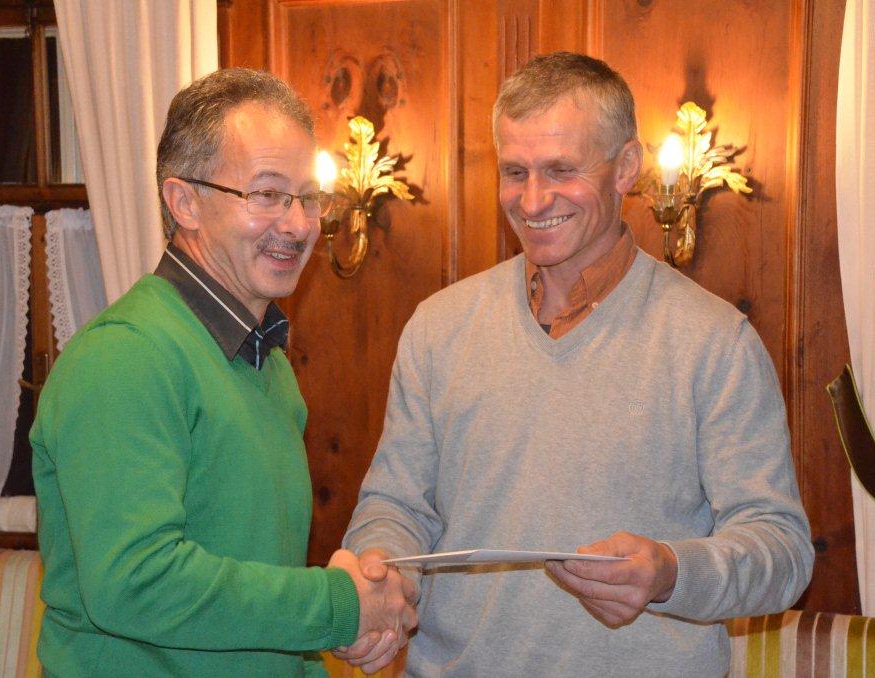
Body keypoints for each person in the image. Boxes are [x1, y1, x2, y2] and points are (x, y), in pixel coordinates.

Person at [339, 52, 814, 676]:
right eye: (515, 172)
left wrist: (671, 573)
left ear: (626, 168)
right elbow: (396, 505)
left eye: (561, 170)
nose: (533, 200)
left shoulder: (716, 342)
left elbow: (781, 550)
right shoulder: (439, 326)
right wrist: (377, 572)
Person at [30, 68, 416, 677]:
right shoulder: (124, 356)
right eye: (266, 194)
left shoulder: (266, 361)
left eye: (307, 197)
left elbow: (262, 606)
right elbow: (135, 582)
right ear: (184, 202)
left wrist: (338, 624)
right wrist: (337, 605)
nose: (298, 224)